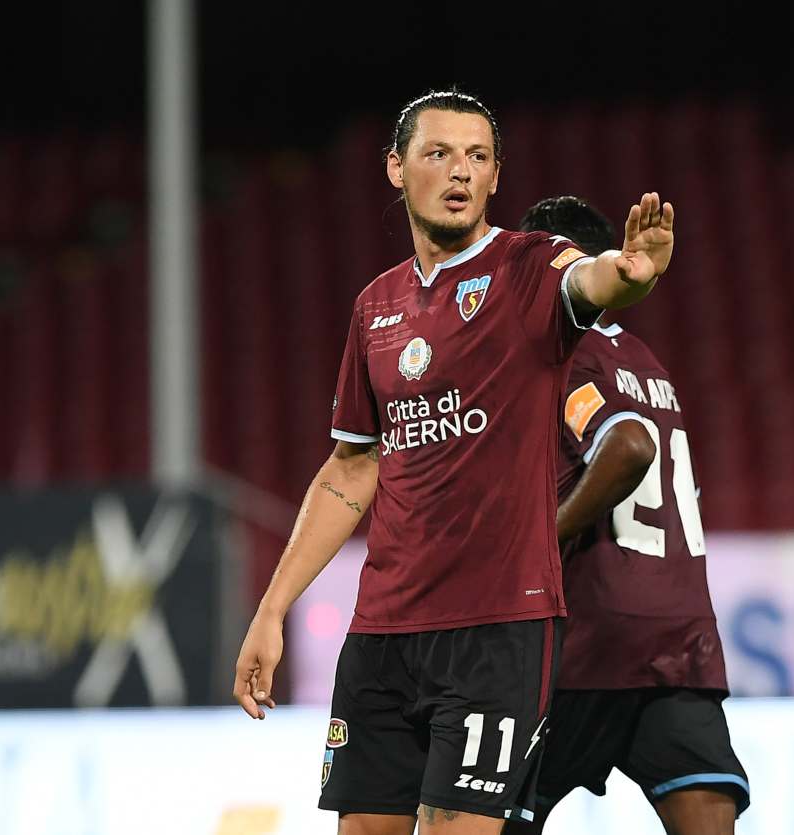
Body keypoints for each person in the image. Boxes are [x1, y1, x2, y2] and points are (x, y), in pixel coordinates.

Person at [232, 91, 676, 835]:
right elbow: (350, 467)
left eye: (476, 156)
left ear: (496, 175)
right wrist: (272, 610)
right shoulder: (376, 307)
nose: (459, 171)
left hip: (496, 631)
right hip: (381, 632)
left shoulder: (530, 267)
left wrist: (633, 273)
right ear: (396, 169)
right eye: (438, 153)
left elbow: (593, 279)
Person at [504, 197, 748, 835]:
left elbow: (627, 448)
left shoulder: (566, 356)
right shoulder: (647, 362)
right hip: (678, 636)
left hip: (588, 638)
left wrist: (537, 539)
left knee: (485, 819)